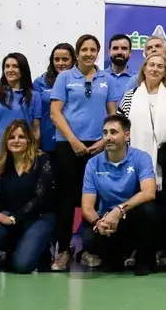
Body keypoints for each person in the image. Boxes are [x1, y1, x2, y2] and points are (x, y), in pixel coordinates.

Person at [48, 34, 116, 270]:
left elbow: (112, 114)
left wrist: (103, 141)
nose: (88, 53)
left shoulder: (106, 78)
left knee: (96, 200)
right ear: (77, 53)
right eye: (84, 49)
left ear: (98, 52)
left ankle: (90, 249)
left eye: (93, 49)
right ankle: (64, 250)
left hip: (97, 146)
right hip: (68, 146)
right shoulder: (65, 77)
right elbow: (55, 113)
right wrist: (74, 141)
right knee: (66, 200)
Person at [79, 114, 160, 275]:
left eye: (113, 132)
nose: (108, 137)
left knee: (150, 211)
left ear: (127, 135)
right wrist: (98, 222)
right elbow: (87, 207)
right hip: (107, 221)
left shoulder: (141, 158)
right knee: (89, 237)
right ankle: (116, 255)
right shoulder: (93, 163)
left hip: (131, 217)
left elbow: (149, 192)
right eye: (105, 133)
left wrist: (119, 210)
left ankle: (144, 259)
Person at [0, 119, 56, 273]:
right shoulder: (1, 165)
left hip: (39, 217)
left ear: (29, 140)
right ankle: (18, 248)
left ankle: (42, 248)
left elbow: (40, 198)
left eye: (21, 137)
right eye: (12, 137)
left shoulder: (42, 160)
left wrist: (12, 219)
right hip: (12, 218)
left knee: (22, 266)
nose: (16, 141)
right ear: (6, 141)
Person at [118, 53, 166, 190]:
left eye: (160, 66)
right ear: (144, 68)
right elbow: (121, 129)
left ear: (165, 71)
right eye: (151, 65)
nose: (155, 69)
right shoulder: (130, 96)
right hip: (135, 158)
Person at [33, 43, 74, 153]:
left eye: (65, 59)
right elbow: (33, 115)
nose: (60, 63)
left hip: (74, 140)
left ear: (73, 60)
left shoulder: (80, 81)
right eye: (57, 59)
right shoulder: (40, 83)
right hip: (47, 142)